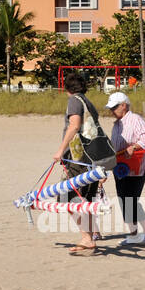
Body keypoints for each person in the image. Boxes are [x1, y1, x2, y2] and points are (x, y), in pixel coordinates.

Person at [52, 72, 105, 255]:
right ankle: (88, 238)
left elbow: (74, 125)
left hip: (78, 159)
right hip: (91, 158)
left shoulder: (74, 101)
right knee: (85, 200)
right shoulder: (87, 102)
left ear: (66, 87)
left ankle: (87, 238)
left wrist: (61, 150)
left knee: (67, 197)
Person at [106, 92, 145, 243]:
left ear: (124, 105)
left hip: (136, 167)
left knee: (131, 200)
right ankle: (134, 234)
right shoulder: (117, 124)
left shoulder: (135, 119)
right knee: (123, 200)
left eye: (114, 107)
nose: (112, 111)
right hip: (120, 168)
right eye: (111, 108)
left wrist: (134, 147)